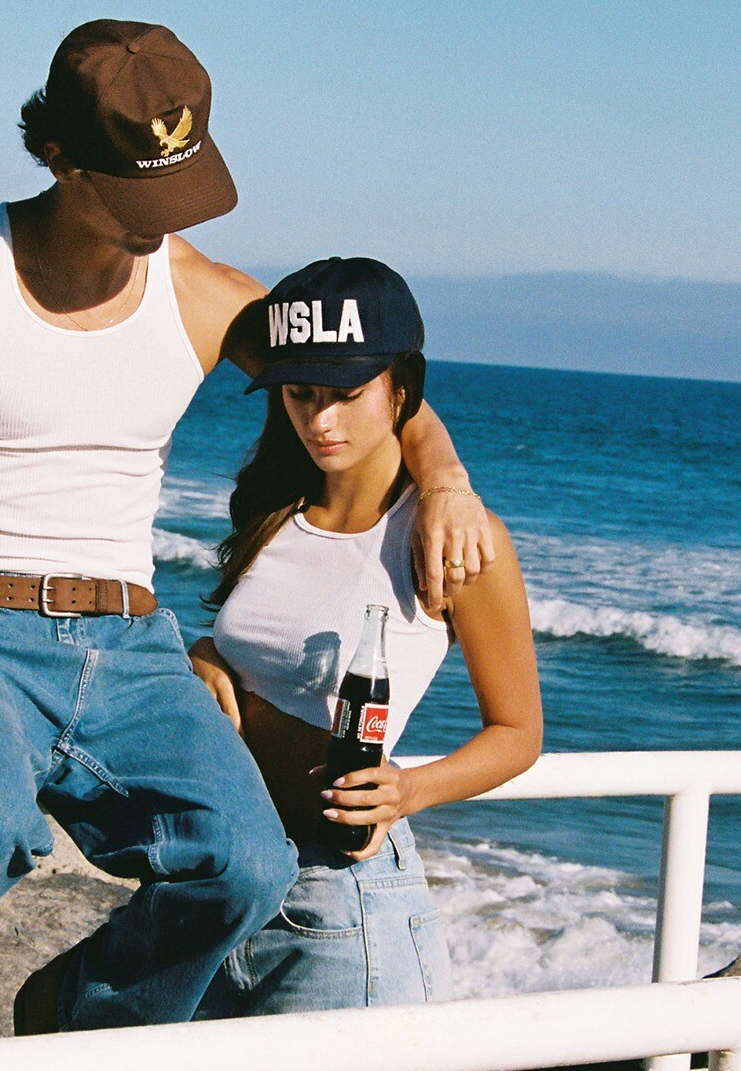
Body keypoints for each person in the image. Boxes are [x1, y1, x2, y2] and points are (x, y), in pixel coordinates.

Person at [0, 21, 492, 1052]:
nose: (164, 224)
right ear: (56, 154)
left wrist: (448, 479)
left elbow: (357, 373)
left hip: (133, 646)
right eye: (136, 193)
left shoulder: (200, 295)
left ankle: (71, 1025)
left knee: (245, 861)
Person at [190, 256, 543, 1014]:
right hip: (228, 874)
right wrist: (204, 655)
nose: (321, 421)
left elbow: (518, 733)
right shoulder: (276, 513)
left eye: (347, 395)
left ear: (400, 392)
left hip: (341, 904)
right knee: (57, 1008)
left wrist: (408, 791)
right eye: (301, 394)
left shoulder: (452, 539)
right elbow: (260, 659)